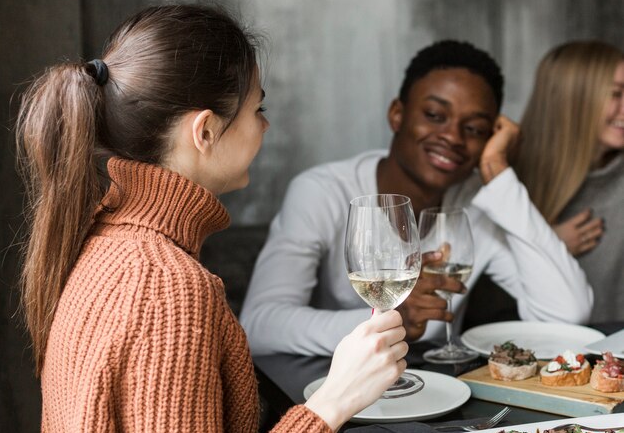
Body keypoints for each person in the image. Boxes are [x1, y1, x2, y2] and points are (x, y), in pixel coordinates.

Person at [17, 4, 410, 433]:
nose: (266, 127)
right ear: (204, 131)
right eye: (258, 109)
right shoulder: (167, 286)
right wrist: (334, 400)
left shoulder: (104, 240)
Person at [240, 41, 593, 357]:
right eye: (435, 116)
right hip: (327, 387)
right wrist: (388, 321)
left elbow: (566, 312)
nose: (453, 137)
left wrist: (498, 172)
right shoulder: (323, 192)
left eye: (473, 129)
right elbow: (260, 325)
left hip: (435, 392)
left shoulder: (477, 205)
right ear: (397, 114)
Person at [516, 40, 624, 323]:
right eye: (615, 93)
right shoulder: (510, 183)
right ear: (575, 99)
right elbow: (482, 304)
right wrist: (547, 246)